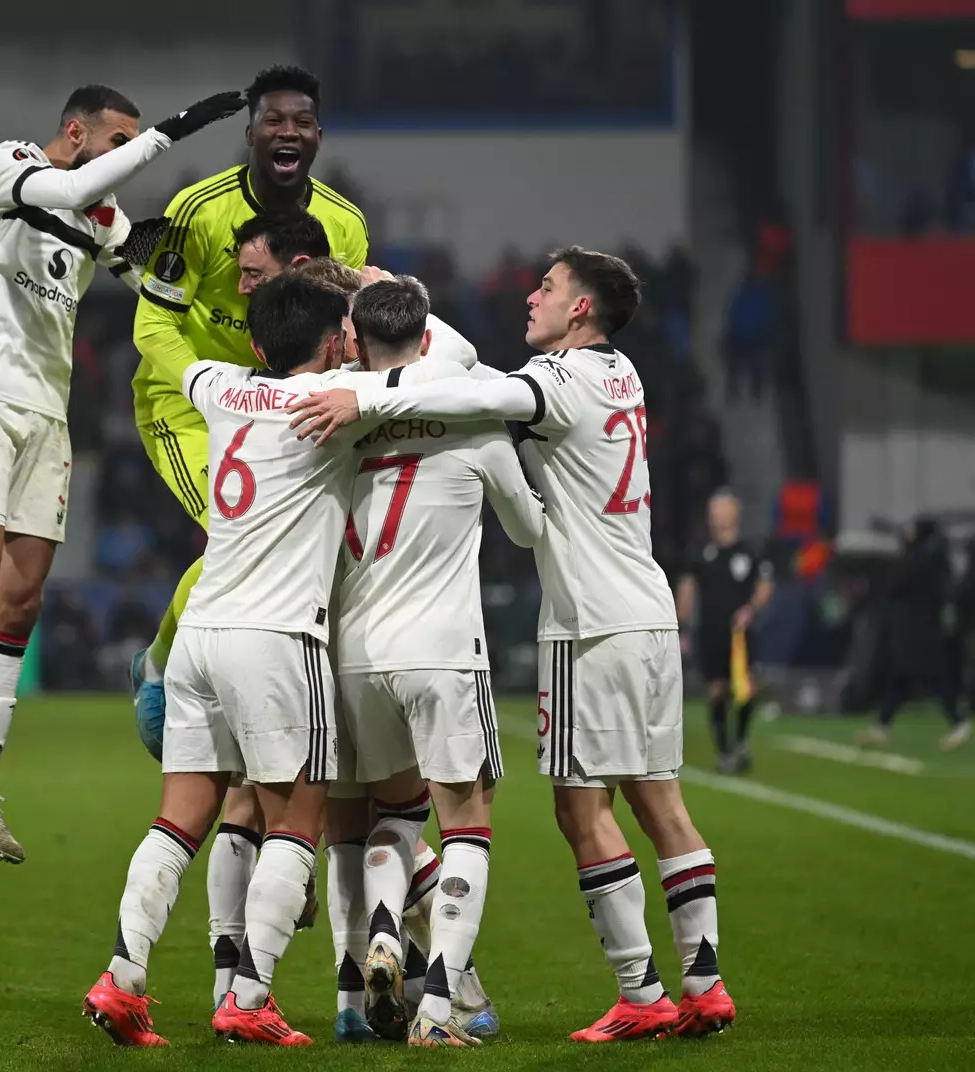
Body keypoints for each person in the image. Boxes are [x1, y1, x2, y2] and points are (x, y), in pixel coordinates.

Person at [289, 246, 737, 1042]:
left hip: (588, 622)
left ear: (580, 311)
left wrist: (361, 397)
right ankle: (704, 986)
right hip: (645, 607)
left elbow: (466, 384)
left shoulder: (557, 386)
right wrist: (381, 288)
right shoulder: (620, 373)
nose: (531, 296)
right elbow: (454, 361)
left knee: (579, 810)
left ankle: (641, 994)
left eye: (548, 287)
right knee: (659, 802)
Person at [0, 83, 244, 861]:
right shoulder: (8, 165)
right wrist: (177, 131)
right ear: (76, 132)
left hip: (48, 415)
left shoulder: (98, 216)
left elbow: (153, 274)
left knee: (20, 600)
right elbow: (80, 187)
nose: (123, 159)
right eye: (118, 143)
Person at [86, 275, 388, 1046]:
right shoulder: (338, 406)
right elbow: (443, 368)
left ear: (256, 344)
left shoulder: (224, 388)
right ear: (334, 343)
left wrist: (155, 282)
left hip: (199, 639)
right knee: (298, 817)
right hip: (278, 638)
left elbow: (156, 343)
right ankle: (249, 999)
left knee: (179, 818)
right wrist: (378, 295)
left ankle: (122, 980)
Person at [128, 63, 368, 744]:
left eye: (301, 121)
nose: (287, 130)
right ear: (251, 133)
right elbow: (152, 327)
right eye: (273, 120)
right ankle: (160, 669)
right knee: (238, 533)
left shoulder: (344, 225)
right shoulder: (198, 211)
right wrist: (217, 389)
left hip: (285, 406)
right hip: (188, 407)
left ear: (318, 135)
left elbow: (348, 328)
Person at [336, 278, 543, 1046]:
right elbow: (526, 530)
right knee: (468, 823)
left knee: (394, 813)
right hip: (443, 653)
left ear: (355, 340)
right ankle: (438, 1006)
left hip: (354, 655)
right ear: (427, 341)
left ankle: (386, 930)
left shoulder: (339, 413)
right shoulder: (476, 423)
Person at [676, 490, 774, 773]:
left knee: (746, 689)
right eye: (713, 510)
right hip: (710, 632)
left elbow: (765, 585)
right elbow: (687, 589)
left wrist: (750, 609)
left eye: (721, 510)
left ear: (735, 513)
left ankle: (742, 741)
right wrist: (682, 629)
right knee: (717, 690)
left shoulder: (751, 551)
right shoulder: (700, 553)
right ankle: (725, 750)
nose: (716, 516)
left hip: (740, 634)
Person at [855, 519, 969, 751]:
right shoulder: (932, 557)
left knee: (934, 679)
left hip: (921, 632)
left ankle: (959, 724)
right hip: (916, 631)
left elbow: (900, 581)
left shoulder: (925, 559)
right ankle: (882, 727)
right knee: (900, 679)